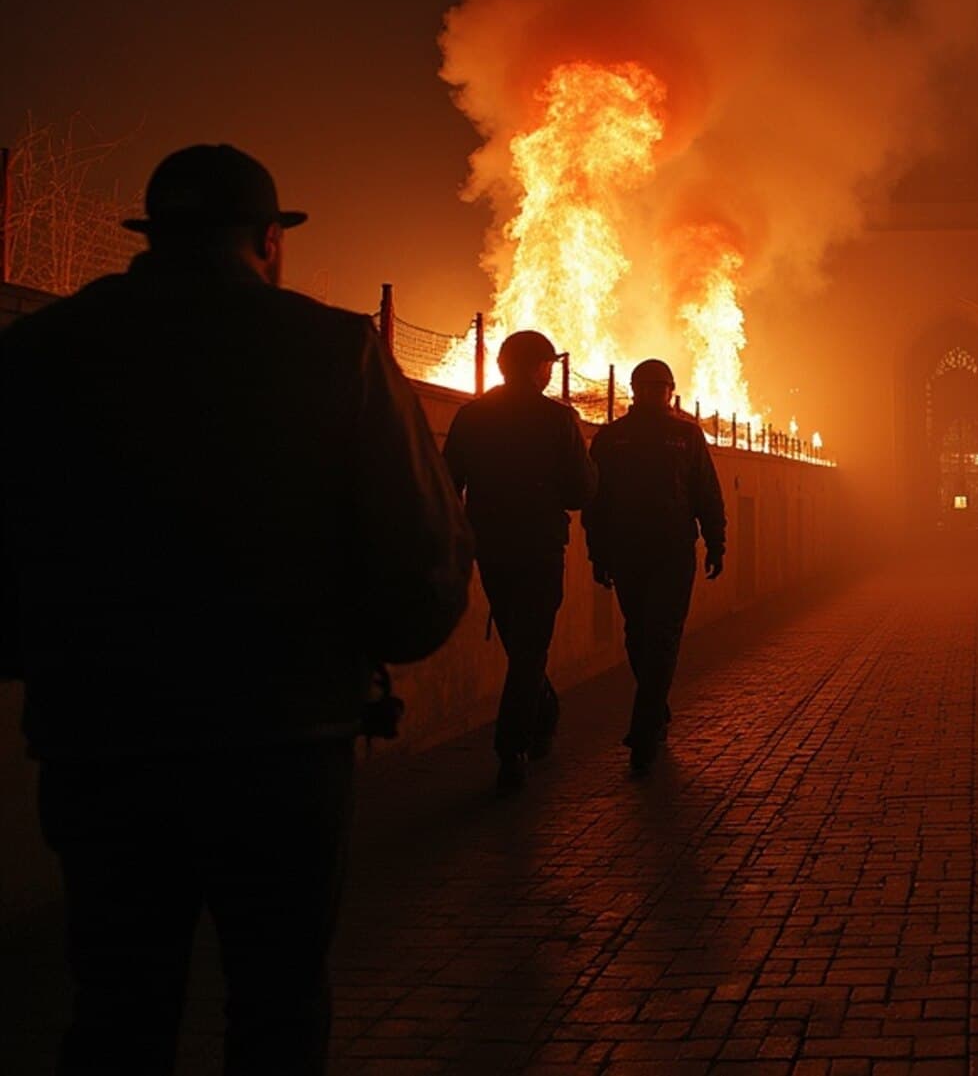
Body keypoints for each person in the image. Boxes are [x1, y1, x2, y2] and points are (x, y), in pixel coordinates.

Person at [0, 144, 474, 1075]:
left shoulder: (37, 350)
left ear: (150, 235)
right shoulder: (337, 351)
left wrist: (48, 660)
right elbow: (419, 549)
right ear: (270, 240)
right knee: (277, 1001)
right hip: (285, 740)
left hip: (100, 741)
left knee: (116, 1004)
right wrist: (375, 648)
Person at [440, 329, 597, 794]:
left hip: (491, 549)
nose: (551, 372)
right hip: (539, 549)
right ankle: (512, 747)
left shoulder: (472, 416)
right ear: (537, 367)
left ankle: (544, 717)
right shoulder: (557, 420)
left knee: (520, 644)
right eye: (548, 364)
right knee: (529, 648)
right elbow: (580, 492)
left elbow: (447, 480)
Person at [584, 360, 726, 775]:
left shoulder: (686, 436)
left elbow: (706, 493)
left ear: (670, 391)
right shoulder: (611, 439)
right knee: (640, 635)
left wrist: (716, 542)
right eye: (643, 387)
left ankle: (643, 728)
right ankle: (654, 711)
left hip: (671, 552)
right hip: (631, 552)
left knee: (659, 636)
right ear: (634, 390)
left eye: (656, 387)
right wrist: (598, 552)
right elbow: (597, 503)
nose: (650, 393)